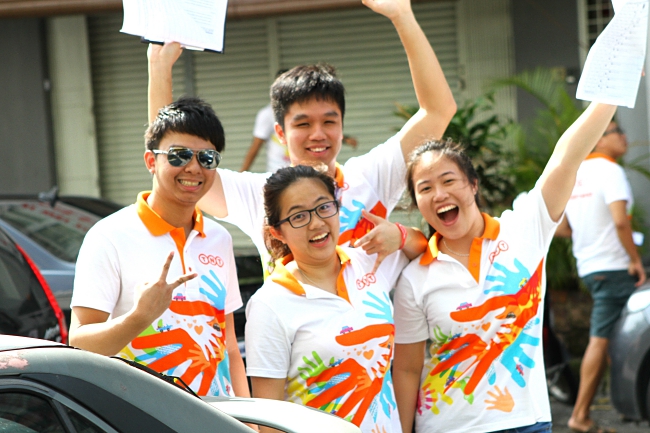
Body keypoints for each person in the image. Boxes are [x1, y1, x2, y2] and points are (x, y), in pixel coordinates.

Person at [148, 0, 457, 273]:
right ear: (280, 132)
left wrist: (403, 15)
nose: (318, 134)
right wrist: (160, 68)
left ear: (341, 125)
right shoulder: (260, 194)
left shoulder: (372, 176)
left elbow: (439, 110)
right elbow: (173, 158)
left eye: (329, 121)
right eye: (303, 124)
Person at [392, 102, 619, 433]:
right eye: (425, 188)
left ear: (472, 184)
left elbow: (566, 158)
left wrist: (608, 94)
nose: (439, 193)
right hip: (447, 426)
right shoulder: (415, 278)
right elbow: (408, 369)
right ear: (417, 203)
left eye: (448, 180)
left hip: (526, 422)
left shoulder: (524, 229)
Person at [68, 97, 248, 398]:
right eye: (179, 156)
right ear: (151, 161)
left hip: (220, 417)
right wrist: (139, 317)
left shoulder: (219, 238)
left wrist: (251, 422)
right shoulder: (109, 236)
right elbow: (79, 343)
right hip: (144, 417)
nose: (194, 168)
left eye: (207, 158)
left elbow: (228, 345)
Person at [245, 164, 428, 433]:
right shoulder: (269, 304)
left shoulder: (366, 259)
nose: (317, 223)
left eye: (324, 207)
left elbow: (421, 247)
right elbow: (269, 419)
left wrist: (398, 233)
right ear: (277, 232)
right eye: (298, 216)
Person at [556, 121, 646, 433]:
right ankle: (580, 415)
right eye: (616, 131)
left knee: (617, 334)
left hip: (591, 268)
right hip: (615, 267)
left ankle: (626, 403)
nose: (623, 136)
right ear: (599, 140)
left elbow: (563, 228)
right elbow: (621, 222)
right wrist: (635, 261)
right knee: (603, 337)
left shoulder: (577, 174)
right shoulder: (611, 171)